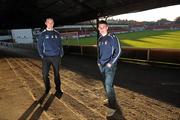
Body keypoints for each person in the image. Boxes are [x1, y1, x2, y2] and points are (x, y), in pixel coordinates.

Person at [97, 20, 121, 110]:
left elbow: (118, 51)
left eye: (103, 27)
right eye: (100, 27)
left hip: (110, 66)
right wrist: (98, 61)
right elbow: (99, 52)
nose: (102, 29)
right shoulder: (99, 39)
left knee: (108, 85)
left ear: (107, 27)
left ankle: (112, 105)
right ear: (98, 29)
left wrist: (110, 63)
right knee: (106, 83)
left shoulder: (112, 37)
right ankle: (110, 99)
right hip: (101, 65)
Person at [37, 18, 64, 98]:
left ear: (53, 23)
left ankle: (58, 88)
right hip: (46, 57)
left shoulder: (57, 34)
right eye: (48, 22)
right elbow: (39, 46)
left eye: (51, 22)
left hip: (56, 57)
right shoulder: (42, 34)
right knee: (45, 74)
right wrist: (42, 55)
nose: (50, 24)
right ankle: (47, 88)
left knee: (57, 74)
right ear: (45, 23)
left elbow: (60, 45)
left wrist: (61, 54)